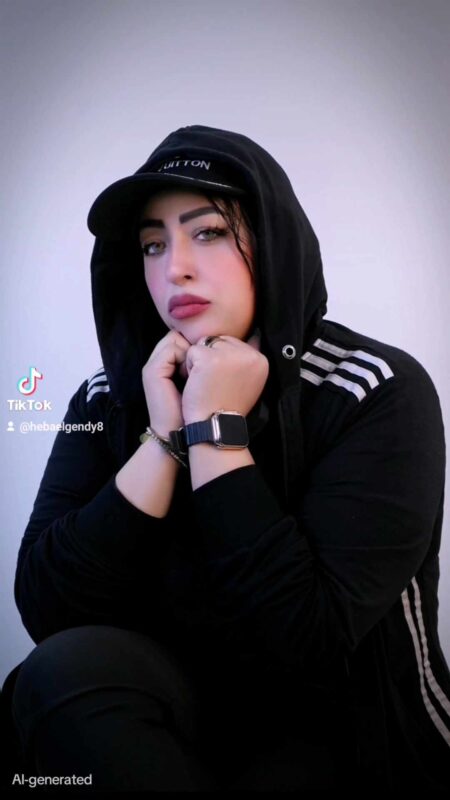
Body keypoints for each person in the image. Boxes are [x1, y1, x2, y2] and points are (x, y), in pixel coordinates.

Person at [5, 124, 450, 791]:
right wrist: (164, 437)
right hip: (185, 720)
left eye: (209, 232)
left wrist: (216, 431)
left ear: (272, 245)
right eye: (153, 244)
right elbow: (50, 614)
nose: (174, 267)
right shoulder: (110, 398)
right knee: (59, 679)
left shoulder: (371, 388)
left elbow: (307, 645)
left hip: (354, 730)